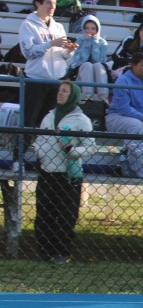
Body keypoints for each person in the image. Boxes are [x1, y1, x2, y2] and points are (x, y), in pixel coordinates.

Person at [34, 81, 95, 264]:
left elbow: (90, 146)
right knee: (44, 213)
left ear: (73, 96)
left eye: (65, 91)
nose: (60, 94)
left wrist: (72, 151)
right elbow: (40, 139)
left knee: (65, 215)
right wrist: (40, 152)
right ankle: (44, 251)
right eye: (60, 90)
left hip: (67, 175)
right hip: (47, 171)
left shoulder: (81, 120)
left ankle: (62, 252)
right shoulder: (49, 116)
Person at [19, 0, 77, 129]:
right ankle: (23, 144)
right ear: (37, 3)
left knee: (49, 124)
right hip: (36, 81)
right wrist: (51, 43)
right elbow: (29, 53)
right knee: (29, 121)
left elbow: (62, 55)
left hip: (56, 81)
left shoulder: (58, 27)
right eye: (48, 3)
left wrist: (69, 51)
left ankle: (42, 145)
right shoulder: (28, 25)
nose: (52, 7)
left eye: (54, 3)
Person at [68, 14, 109, 102]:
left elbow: (99, 60)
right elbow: (80, 60)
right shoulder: (79, 40)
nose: (89, 31)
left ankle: (104, 96)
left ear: (97, 29)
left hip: (97, 72)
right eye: (87, 28)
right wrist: (86, 43)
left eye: (93, 28)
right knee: (87, 65)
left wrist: (95, 44)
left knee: (98, 65)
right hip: (81, 73)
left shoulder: (103, 42)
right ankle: (87, 95)